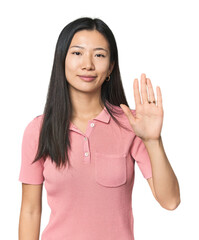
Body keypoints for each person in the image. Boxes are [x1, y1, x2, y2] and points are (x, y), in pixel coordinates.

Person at [18, 17, 180, 240]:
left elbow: (170, 200)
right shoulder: (37, 130)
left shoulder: (131, 125)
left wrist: (153, 141)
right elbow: (30, 211)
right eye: (77, 53)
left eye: (99, 55)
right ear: (61, 60)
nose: (88, 64)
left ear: (111, 66)